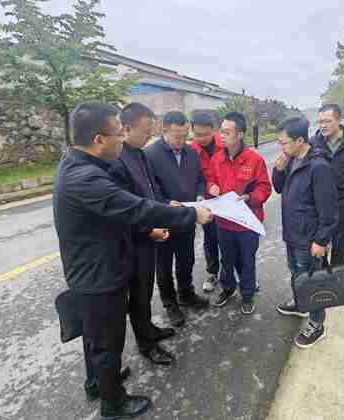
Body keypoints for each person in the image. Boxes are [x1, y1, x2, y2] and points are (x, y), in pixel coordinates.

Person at [52, 102, 213, 419]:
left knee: (96, 337)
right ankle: (113, 405)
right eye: (117, 133)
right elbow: (136, 208)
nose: (122, 138)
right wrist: (191, 214)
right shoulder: (85, 178)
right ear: (99, 140)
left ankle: (98, 383)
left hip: (97, 266)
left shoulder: (81, 164)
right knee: (107, 342)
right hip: (99, 275)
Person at [108, 103, 175, 366]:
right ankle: (147, 344)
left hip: (148, 236)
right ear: (126, 129)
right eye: (146, 132)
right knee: (138, 294)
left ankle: (149, 329)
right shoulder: (117, 160)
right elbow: (124, 210)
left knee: (146, 290)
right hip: (133, 242)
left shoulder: (139, 153)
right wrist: (149, 229)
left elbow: (150, 190)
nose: (150, 137)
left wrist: (166, 206)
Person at [272, 117, 338, 348]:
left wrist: (321, 240)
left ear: (300, 140)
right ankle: (300, 304)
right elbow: (279, 188)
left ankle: (317, 324)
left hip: (309, 237)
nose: (281, 147)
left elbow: (329, 209)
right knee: (296, 272)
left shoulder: (319, 167)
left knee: (311, 280)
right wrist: (278, 170)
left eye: (284, 142)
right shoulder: (291, 159)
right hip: (293, 232)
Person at [145, 111, 209, 327]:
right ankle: (170, 303)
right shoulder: (150, 155)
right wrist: (165, 204)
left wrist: (199, 194)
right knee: (163, 266)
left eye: (184, 136)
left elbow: (200, 178)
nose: (181, 141)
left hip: (187, 218)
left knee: (186, 259)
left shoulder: (191, 152)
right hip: (163, 220)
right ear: (164, 131)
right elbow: (149, 190)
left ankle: (186, 293)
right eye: (177, 136)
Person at [208, 112, 272, 315]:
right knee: (226, 260)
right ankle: (227, 288)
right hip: (224, 222)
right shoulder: (217, 158)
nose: (222, 136)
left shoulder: (254, 160)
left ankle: (247, 295)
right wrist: (211, 187)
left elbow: (264, 187)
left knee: (246, 262)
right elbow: (210, 179)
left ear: (240, 134)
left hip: (247, 223)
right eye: (221, 132)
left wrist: (249, 198)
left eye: (227, 132)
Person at [310, 104, 344, 267]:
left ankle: (339, 276)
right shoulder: (313, 143)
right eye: (320, 122)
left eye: (327, 121)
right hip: (319, 203)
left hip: (343, 201)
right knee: (320, 244)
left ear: (338, 120)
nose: (323, 125)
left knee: (340, 244)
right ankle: (323, 277)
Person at [188, 112, 224, 293]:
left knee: (229, 238)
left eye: (206, 134)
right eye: (197, 134)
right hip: (206, 202)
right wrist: (199, 194)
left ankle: (235, 272)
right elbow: (194, 177)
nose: (201, 138)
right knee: (210, 238)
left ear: (213, 130)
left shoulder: (225, 144)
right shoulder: (190, 150)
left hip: (226, 200)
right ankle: (212, 273)